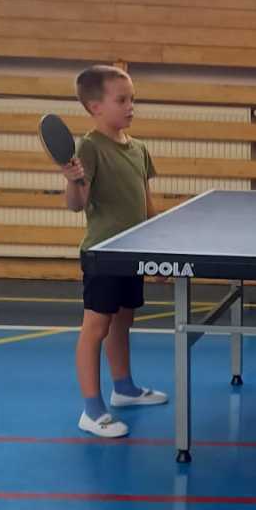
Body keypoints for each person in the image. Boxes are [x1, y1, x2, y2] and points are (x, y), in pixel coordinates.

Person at [59, 65, 168, 438]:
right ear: (95, 107)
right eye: (121, 100)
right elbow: (77, 204)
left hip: (132, 254)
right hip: (103, 255)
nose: (130, 106)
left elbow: (147, 207)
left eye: (132, 99)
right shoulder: (89, 147)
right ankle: (91, 410)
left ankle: (124, 388)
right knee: (96, 326)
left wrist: (160, 253)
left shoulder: (138, 149)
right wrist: (73, 181)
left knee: (123, 320)